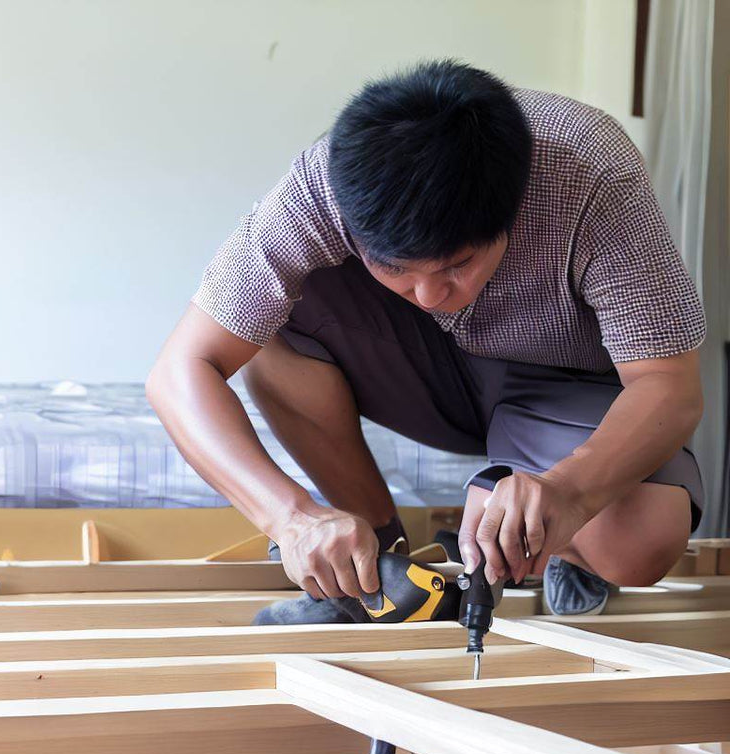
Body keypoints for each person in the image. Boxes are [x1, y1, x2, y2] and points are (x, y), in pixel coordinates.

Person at [147, 59, 705, 622]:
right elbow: (181, 369)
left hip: (564, 381)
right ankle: (374, 571)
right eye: (396, 270)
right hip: (425, 370)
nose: (430, 294)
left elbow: (668, 385)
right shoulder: (321, 186)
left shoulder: (589, 170)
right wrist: (289, 517)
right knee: (261, 332)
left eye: (457, 265)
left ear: (514, 208)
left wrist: (569, 492)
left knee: (642, 543)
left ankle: (561, 541)